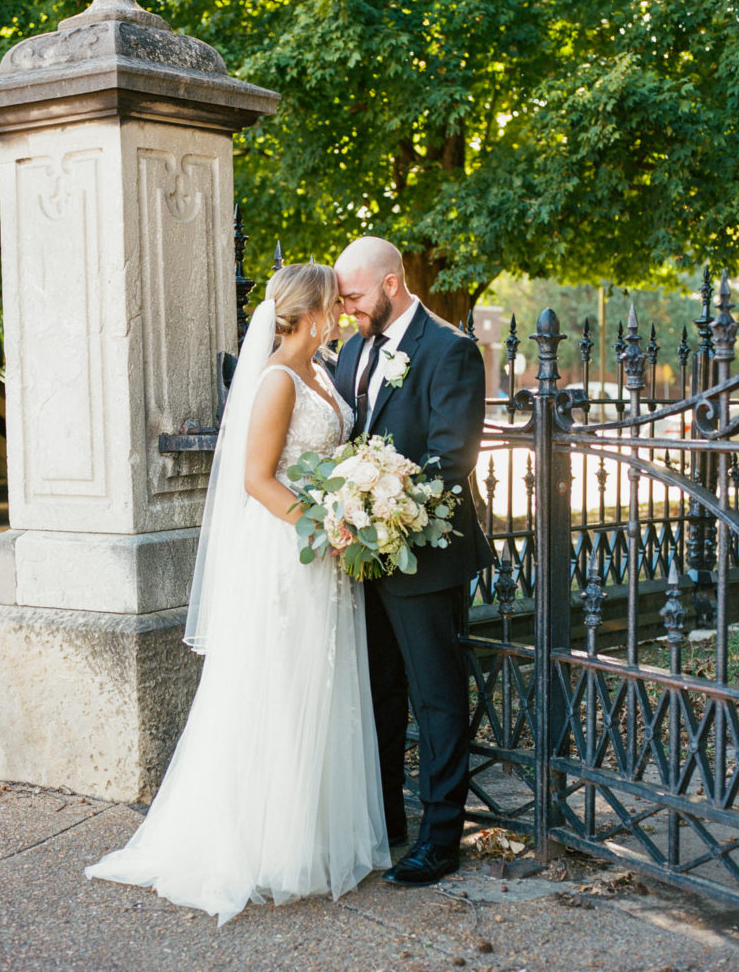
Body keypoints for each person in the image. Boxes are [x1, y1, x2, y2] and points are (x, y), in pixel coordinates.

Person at [85, 264, 390, 926]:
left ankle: (311, 835)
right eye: (334, 305)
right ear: (306, 312)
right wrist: (326, 525)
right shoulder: (278, 380)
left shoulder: (324, 370)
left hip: (322, 552)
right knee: (277, 687)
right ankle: (263, 844)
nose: (341, 313)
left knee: (320, 685)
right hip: (287, 552)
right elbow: (256, 478)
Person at [334, 237, 492, 887]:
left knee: (436, 699)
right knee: (376, 691)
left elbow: (453, 459)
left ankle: (441, 836)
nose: (346, 311)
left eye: (354, 297)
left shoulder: (450, 351)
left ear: (392, 283)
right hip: (361, 558)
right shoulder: (349, 351)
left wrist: (383, 504)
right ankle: (388, 820)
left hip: (426, 555)